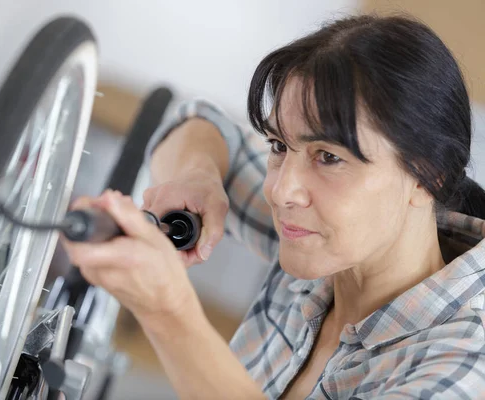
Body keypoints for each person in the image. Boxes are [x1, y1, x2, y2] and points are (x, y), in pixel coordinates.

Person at [61, 14, 485, 399]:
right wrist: (197, 177)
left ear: (428, 177)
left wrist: (167, 312)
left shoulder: (462, 368)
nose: (281, 191)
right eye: (279, 145)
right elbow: (198, 123)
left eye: (329, 157)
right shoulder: (331, 245)